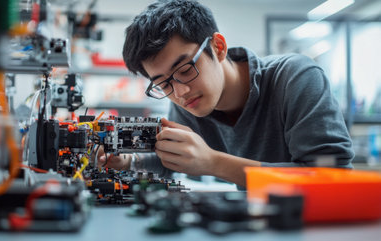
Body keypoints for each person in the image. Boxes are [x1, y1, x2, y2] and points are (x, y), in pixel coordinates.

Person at [98, 0, 354, 188]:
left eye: (185, 69)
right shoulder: (186, 100)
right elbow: (176, 160)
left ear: (218, 47)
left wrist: (213, 163)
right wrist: (129, 161)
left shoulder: (295, 78)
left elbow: (333, 177)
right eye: (163, 84)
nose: (180, 92)